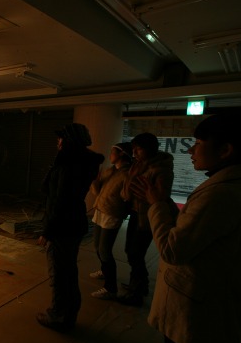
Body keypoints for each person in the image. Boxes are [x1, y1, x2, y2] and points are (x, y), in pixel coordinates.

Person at [132, 113, 241, 343]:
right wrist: (164, 203)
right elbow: (193, 229)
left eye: (198, 143)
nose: (191, 150)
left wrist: (156, 204)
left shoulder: (220, 195)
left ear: (225, 150)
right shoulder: (232, 187)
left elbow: (172, 250)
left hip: (199, 318)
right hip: (209, 310)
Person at [36, 123, 105, 332]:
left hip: (62, 226)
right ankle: (68, 314)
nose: (58, 142)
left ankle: (59, 316)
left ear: (69, 141)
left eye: (61, 139)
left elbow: (60, 201)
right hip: (74, 223)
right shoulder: (82, 162)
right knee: (68, 271)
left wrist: (47, 231)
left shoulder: (69, 164)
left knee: (59, 274)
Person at [119, 132, 174, 307]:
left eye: (139, 149)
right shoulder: (138, 165)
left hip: (148, 217)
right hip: (136, 213)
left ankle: (137, 292)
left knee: (136, 253)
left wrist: (146, 195)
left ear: (150, 149)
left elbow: (160, 197)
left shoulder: (161, 168)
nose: (134, 152)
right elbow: (127, 191)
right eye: (133, 148)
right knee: (130, 250)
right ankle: (138, 284)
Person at [88, 142, 133, 300]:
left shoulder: (127, 174)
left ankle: (110, 288)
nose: (110, 154)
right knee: (97, 247)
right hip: (100, 211)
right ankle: (104, 270)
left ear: (121, 154)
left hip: (112, 214)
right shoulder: (110, 170)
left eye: (113, 152)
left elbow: (127, 197)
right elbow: (97, 191)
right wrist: (94, 180)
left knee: (105, 250)